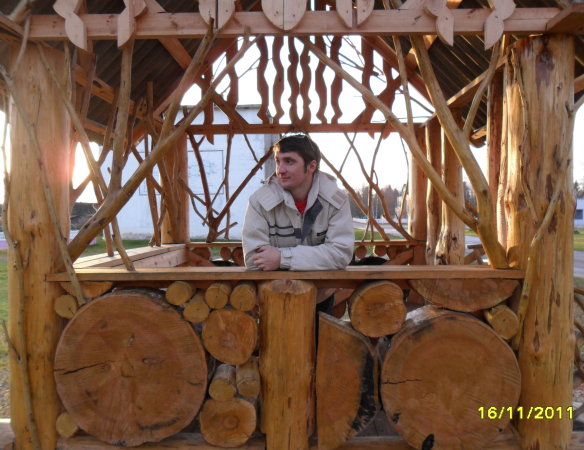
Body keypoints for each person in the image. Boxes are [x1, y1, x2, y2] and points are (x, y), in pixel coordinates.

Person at [242, 133, 354, 274]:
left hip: (323, 286)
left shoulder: (336, 201)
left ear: (311, 166)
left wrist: (282, 258)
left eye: (289, 161)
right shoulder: (259, 201)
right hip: (274, 286)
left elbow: (340, 254)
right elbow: (254, 260)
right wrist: (318, 257)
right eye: (278, 161)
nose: (280, 170)